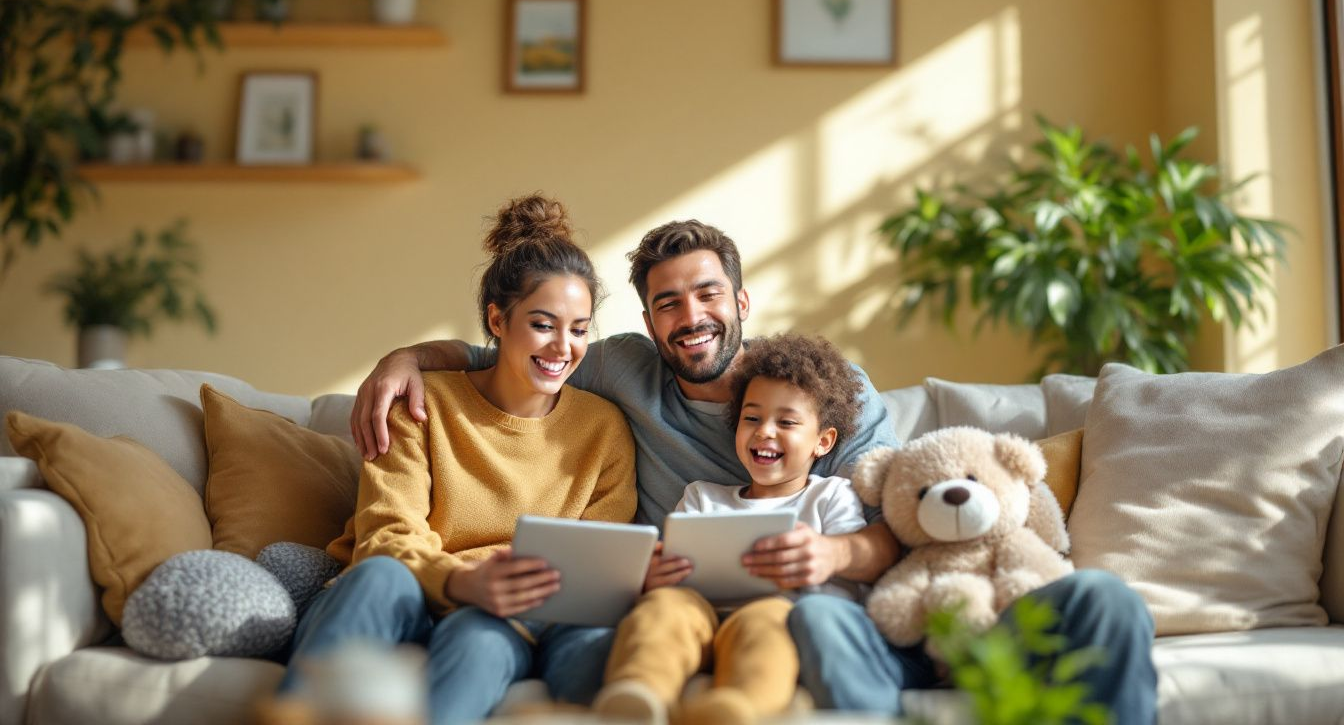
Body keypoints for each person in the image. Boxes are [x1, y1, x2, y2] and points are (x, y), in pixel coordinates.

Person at [350, 219, 1158, 722]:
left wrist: (834, 556)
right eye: (667, 303)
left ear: (741, 301)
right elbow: (519, 353)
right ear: (646, 322)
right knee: (786, 624)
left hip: (856, 604)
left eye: (707, 295)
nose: (690, 316)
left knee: (1097, 599)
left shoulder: (826, 393)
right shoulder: (618, 373)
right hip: (745, 614)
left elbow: (904, 518)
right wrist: (405, 360)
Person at [279, 196, 637, 725]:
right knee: (379, 577)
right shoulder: (421, 403)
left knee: (484, 638)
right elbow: (384, 534)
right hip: (404, 592)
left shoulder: (603, 429)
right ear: (497, 319)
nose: (564, 346)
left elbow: (595, 568)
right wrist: (460, 581)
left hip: (509, 615)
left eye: (579, 329)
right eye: (543, 324)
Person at [594, 334, 869, 725]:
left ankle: (740, 707)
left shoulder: (831, 496)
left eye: (787, 422)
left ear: (822, 442)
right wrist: (653, 576)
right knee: (662, 609)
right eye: (751, 418)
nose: (765, 432)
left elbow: (851, 582)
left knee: (768, 621)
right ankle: (639, 692)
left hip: (775, 616)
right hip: (698, 613)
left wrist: (818, 564)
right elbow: (671, 569)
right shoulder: (702, 497)